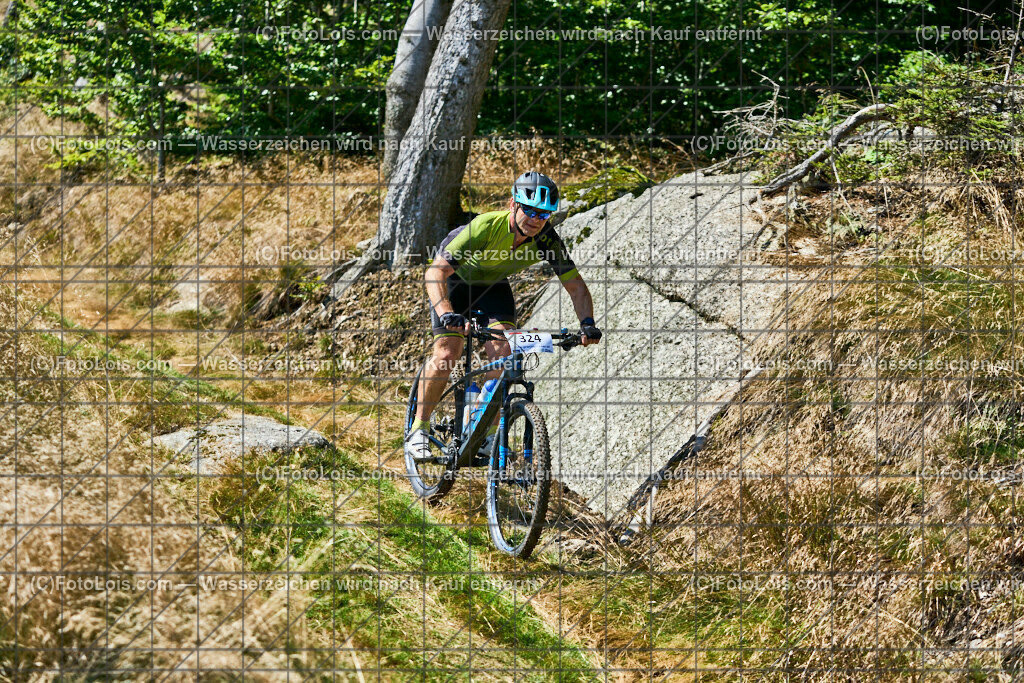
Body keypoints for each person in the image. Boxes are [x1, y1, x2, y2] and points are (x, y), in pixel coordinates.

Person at [405, 171, 602, 461]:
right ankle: (419, 429)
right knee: (448, 351)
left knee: (504, 355)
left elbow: (575, 286)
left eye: (544, 214)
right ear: (513, 204)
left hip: (492, 288)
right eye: (530, 210)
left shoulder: (546, 238)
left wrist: (587, 324)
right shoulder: (485, 226)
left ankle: (482, 431)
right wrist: (447, 314)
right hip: (455, 282)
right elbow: (435, 273)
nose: (536, 219)